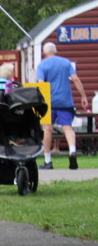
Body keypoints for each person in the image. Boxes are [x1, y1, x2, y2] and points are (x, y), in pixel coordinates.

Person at [36, 42, 89, 170]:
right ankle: (72, 151)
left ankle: (48, 161)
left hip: (49, 102)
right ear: (55, 51)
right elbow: (75, 79)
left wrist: (39, 101)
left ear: (44, 52)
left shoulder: (42, 65)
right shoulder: (66, 62)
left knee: (47, 129)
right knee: (67, 128)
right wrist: (83, 96)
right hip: (65, 101)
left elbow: (41, 83)